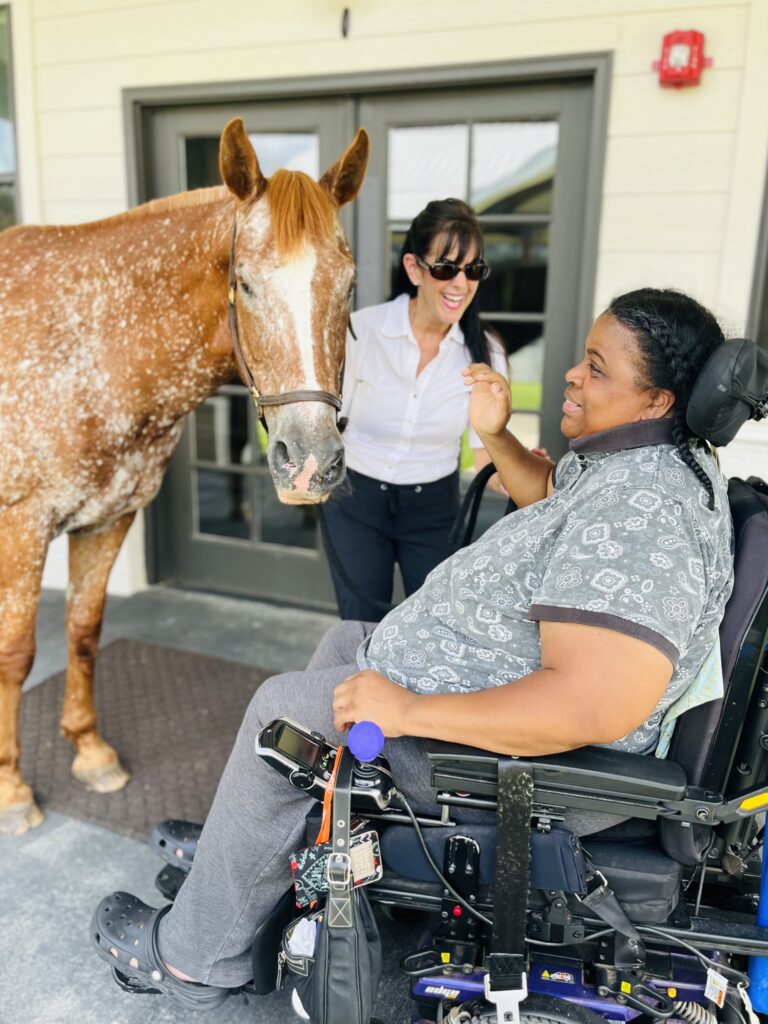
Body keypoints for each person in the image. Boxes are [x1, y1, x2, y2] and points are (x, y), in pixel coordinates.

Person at [91, 288, 734, 1009]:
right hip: (483, 699)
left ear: (656, 400)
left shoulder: (648, 516)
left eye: (596, 368)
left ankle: (193, 960)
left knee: (286, 716)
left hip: (534, 769)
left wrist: (410, 708)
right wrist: (496, 434)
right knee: (345, 642)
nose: (572, 378)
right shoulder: (639, 460)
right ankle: (251, 868)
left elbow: (593, 706)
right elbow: (553, 499)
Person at [322, 198, 508, 621]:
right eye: (446, 268)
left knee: (430, 626)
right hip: (356, 502)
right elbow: (330, 426)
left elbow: (486, 460)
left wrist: (532, 477)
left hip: (434, 511)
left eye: (473, 270)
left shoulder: (487, 353)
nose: (460, 283)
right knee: (361, 625)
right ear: (413, 269)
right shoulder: (361, 332)